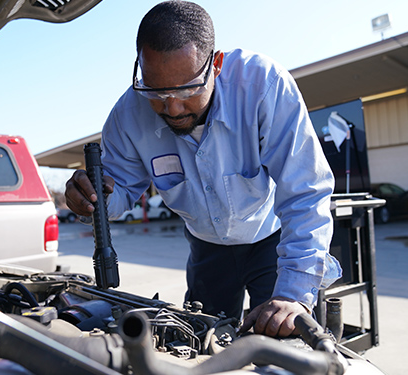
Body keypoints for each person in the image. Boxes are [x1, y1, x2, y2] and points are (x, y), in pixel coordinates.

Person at [65, 0, 342, 337]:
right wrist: (93, 198)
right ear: (140, 67)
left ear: (217, 64)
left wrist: (294, 295)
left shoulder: (263, 86)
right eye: (156, 91)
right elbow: (119, 189)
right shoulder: (127, 116)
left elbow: (304, 190)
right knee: (201, 342)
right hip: (205, 249)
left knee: (277, 341)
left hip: (271, 240)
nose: (172, 106)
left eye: (186, 89)